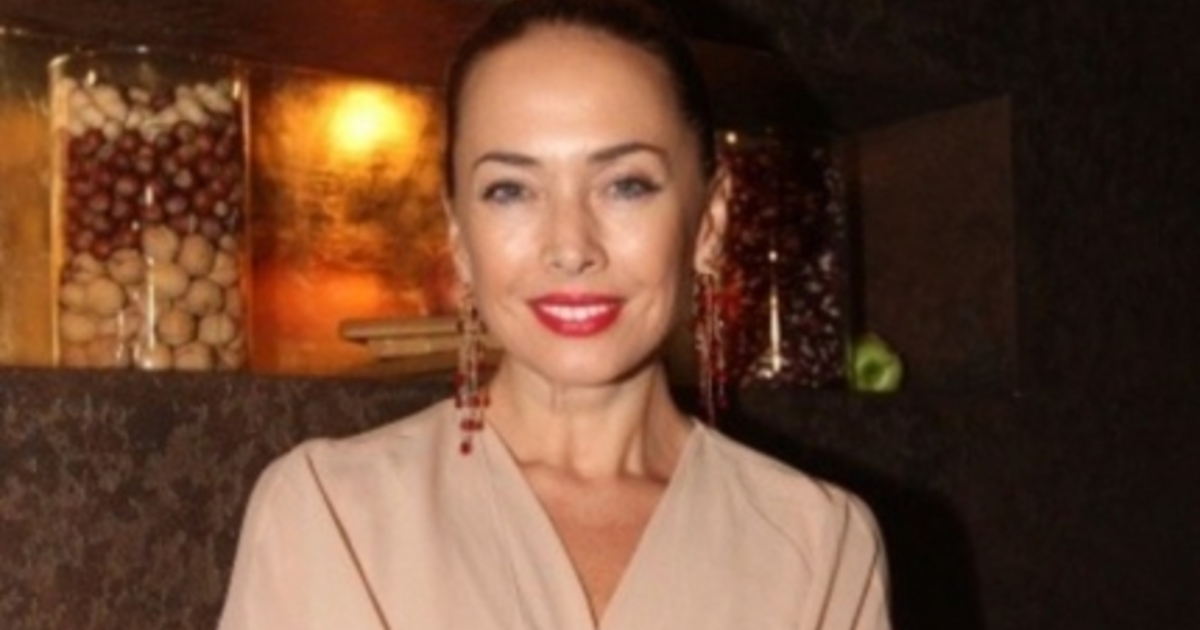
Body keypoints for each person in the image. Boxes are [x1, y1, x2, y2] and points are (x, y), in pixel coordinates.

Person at [217, 1, 891, 628]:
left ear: (709, 222)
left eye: (626, 185)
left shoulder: (817, 543)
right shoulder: (331, 513)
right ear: (459, 237)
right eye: (511, 190)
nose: (570, 246)